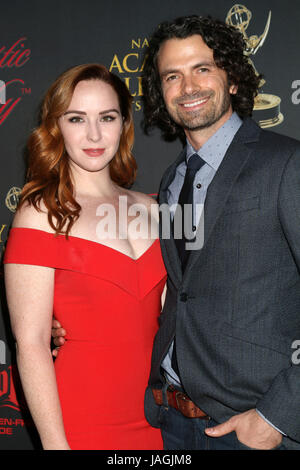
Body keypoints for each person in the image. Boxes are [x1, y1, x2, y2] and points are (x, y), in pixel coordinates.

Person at [52, 16, 300, 450]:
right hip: (168, 421)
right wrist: (65, 317)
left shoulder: (285, 165)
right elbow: (175, 290)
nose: (188, 86)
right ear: (160, 91)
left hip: (250, 428)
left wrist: (278, 416)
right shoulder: (170, 182)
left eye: (202, 68)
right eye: (172, 75)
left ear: (234, 79)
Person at [4, 63, 166, 450]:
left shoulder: (155, 209)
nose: (94, 134)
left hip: (162, 416)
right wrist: (56, 444)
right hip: (83, 419)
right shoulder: (40, 212)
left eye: (107, 117)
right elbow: (31, 345)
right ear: (57, 126)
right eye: (77, 118)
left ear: (124, 124)